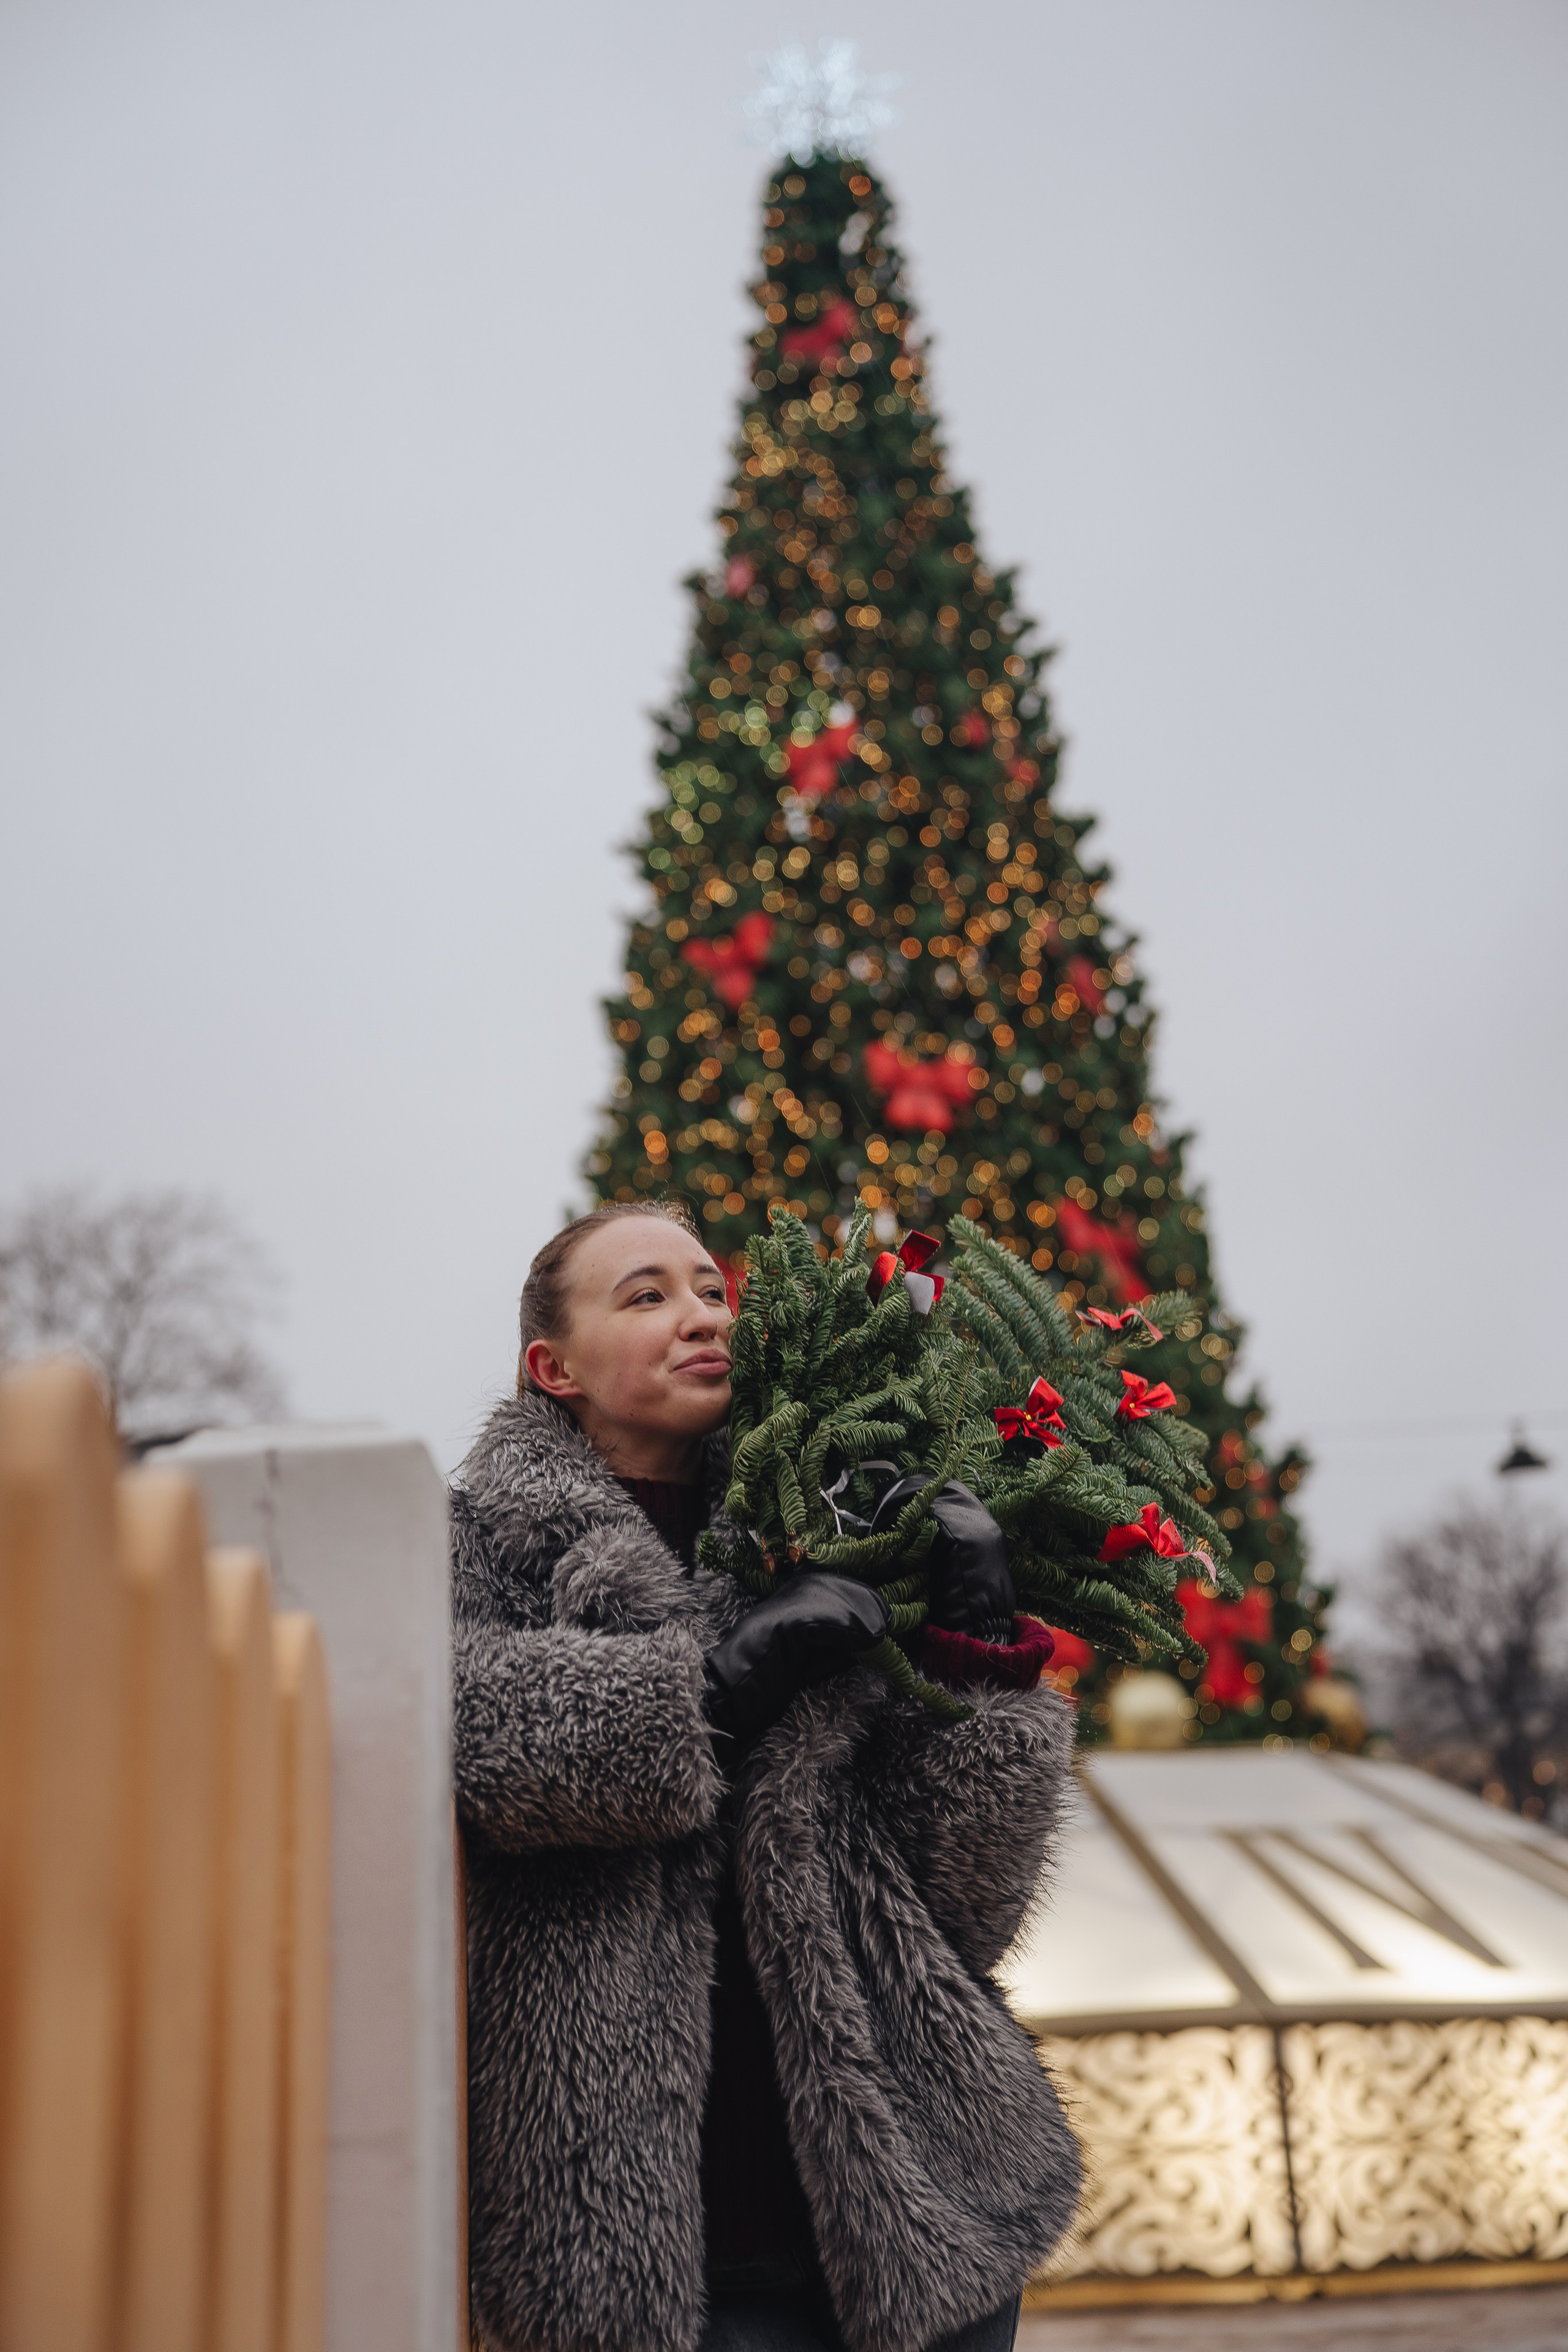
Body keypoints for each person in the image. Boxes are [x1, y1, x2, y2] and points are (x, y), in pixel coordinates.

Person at [451, 1201, 1080, 2352]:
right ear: (554, 1368)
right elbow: (474, 1739)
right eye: (645, 1296)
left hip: (921, 2212)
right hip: (652, 2241)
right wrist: (715, 1684)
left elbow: (965, 1905)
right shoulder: (470, 1544)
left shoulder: (829, 1520)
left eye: (709, 1289)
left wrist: (978, 1660)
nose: (699, 1315)